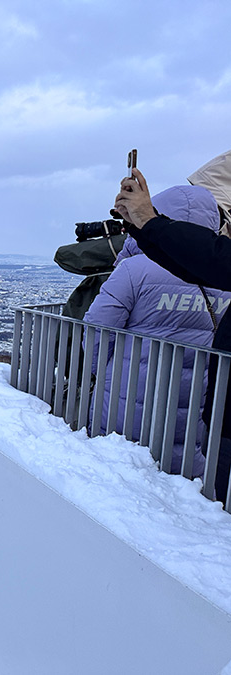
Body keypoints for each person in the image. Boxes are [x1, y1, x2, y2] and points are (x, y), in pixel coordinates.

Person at [84, 185, 231, 476]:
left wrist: (100, 374)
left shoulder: (134, 269)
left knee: (113, 479)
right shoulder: (221, 278)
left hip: (125, 401)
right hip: (196, 407)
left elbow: (98, 333)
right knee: (177, 494)